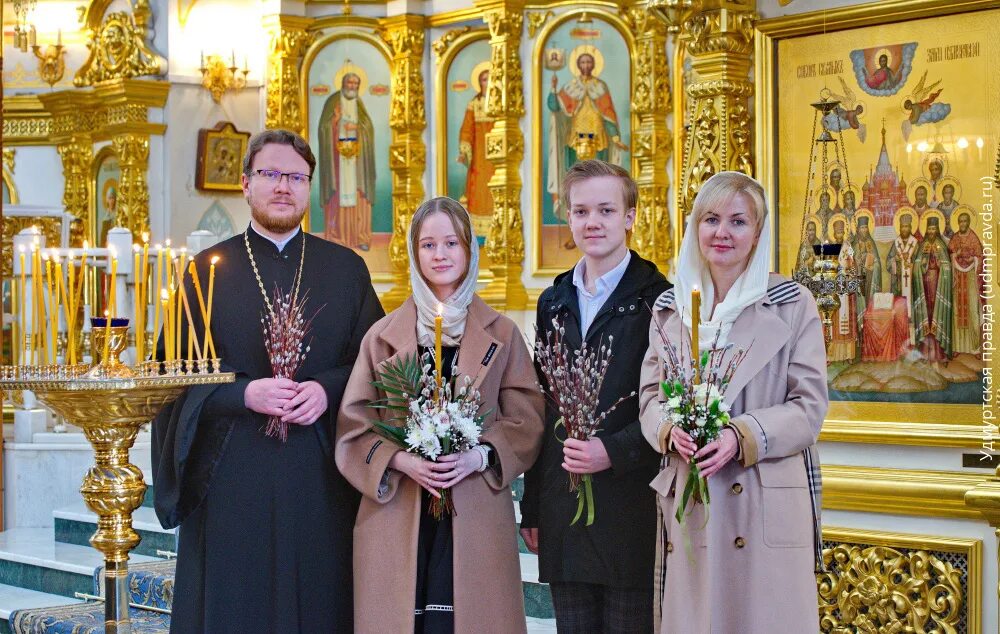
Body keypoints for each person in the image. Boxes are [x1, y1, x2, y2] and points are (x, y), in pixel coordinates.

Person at [151, 129, 384, 632]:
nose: (283, 187)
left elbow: (377, 367)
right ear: (246, 183)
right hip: (232, 475)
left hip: (319, 477)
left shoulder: (347, 271)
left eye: (296, 177)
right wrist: (242, 393)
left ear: (310, 189)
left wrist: (325, 389)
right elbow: (169, 380)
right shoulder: (205, 273)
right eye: (271, 175)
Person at [335, 197, 544, 633]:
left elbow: (526, 420)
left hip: (475, 506)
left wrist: (479, 455)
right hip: (399, 507)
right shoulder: (383, 337)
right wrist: (400, 460)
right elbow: (354, 426)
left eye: (451, 242)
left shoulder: (502, 333)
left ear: (469, 249)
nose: (440, 254)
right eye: (428, 245)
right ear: (414, 254)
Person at [638, 171, 827, 634]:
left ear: (758, 233)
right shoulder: (670, 308)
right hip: (694, 499)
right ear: (695, 227)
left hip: (761, 499)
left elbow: (809, 408)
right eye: (711, 219)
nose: (722, 232)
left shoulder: (792, 303)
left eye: (738, 221)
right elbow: (650, 398)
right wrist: (668, 429)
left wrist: (739, 435)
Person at [521, 159, 670, 633]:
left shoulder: (657, 299)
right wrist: (534, 508)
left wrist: (615, 450)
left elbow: (670, 401)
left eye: (606, 209)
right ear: (568, 217)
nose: (593, 222)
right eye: (581, 211)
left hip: (632, 504)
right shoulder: (555, 301)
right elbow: (546, 407)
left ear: (629, 216)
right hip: (567, 509)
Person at [547, 52, 626, 223]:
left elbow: (608, 115)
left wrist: (615, 137)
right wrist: (553, 89)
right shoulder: (571, 87)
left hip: (598, 143)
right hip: (574, 142)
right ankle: (574, 230)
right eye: (582, 61)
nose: (585, 65)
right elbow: (554, 106)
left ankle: (601, 225)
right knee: (576, 188)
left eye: (589, 61)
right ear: (577, 64)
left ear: (593, 65)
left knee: (599, 186)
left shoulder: (600, 87)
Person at [318, 69, 377, 250]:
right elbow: (323, 128)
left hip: (356, 162)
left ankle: (360, 237)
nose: (352, 87)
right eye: (350, 83)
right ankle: (337, 238)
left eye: (356, 84)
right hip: (338, 161)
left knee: (358, 195)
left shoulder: (359, 104)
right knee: (338, 195)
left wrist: (358, 127)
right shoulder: (333, 102)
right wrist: (335, 122)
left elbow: (368, 129)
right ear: (343, 84)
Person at [458, 68, 495, 235]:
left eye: (489, 79)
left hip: (496, 158)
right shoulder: (474, 104)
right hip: (480, 158)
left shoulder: (499, 103)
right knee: (478, 191)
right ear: (479, 83)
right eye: (484, 80)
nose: (487, 83)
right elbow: (467, 129)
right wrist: (464, 150)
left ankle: (496, 229)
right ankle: (479, 234)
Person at [912, 216, 953, 362]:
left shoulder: (941, 245)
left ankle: (940, 354)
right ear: (926, 230)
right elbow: (916, 266)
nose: (931, 231)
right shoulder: (922, 246)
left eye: (933, 228)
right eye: (929, 228)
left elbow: (947, 266)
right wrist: (922, 263)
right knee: (926, 315)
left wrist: (940, 262)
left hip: (938, 285)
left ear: (937, 230)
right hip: (925, 285)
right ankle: (924, 353)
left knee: (938, 315)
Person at [949, 212, 984, 356]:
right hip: (957, 276)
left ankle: (975, 348)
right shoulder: (955, 238)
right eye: (960, 221)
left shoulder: (974, 238)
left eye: (965, 221)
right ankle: (958, 347)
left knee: (972, 311)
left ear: (969, 222)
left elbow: (980, 256)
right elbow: (950, 253)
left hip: (970, 276)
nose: (962, 224)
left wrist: (973, 260)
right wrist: (955, 256)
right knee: (957, 311)